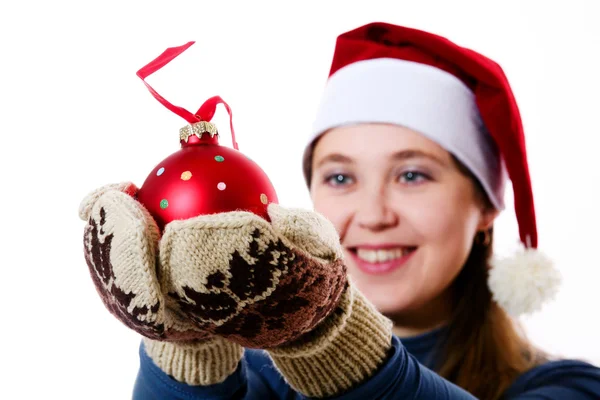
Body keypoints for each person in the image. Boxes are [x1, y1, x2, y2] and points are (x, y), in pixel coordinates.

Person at [79, 22, 600, 399]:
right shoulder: (253, 384)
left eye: (412, 175)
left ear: (485, 207)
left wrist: (323, 332)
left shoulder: (565, 388)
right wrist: (186, 343)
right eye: (341, 177)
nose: (372, 215)